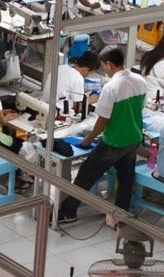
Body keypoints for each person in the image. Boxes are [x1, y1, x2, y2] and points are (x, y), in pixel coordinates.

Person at [57, 49, 150, 226]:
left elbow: (103, 120)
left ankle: (68, 212)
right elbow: (139, 108)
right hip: (133, 138)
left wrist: (89, 138)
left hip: (114, 141)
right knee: (125, 180)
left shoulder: (111, 87)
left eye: (104, 66)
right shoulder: (139, 81)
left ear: (109, 64)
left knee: (85, 174)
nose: (104, 70)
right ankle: (120, 217)